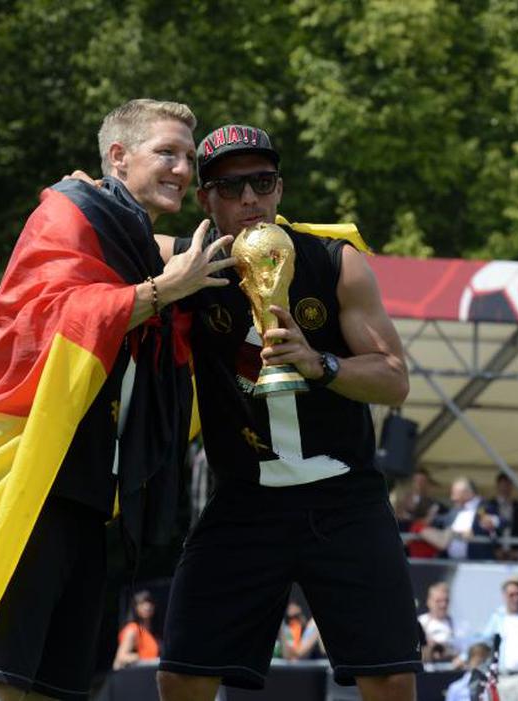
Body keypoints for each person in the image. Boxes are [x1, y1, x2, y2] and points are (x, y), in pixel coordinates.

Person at [0, 99, 234, 701]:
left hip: (89, 494)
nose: (184, 168)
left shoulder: (130, 235)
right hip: (31, 477)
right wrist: (162, 291)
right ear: (117, 156)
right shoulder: (70, 214)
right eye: (167, 152)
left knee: (54, 687)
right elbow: (39, 325)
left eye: (188, 156)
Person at [154, 124, 420, 701]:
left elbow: (395, 380)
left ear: (280, 189)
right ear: (205, 200)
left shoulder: (336, 264)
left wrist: (320, 363)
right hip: (245, 498)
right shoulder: (187, 266)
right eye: (229, 187)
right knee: (181, 671)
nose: (248, 198)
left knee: (392, 675)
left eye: (262, 182)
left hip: (344, 497)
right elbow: (105, 236)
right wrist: (95, 188)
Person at [485, 472, 518, 561]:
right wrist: (495, 550)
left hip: (516, 553)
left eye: (507, 485)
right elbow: (486, 530)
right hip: (494, 553)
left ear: (511, 486)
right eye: (502, 485)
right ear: (497, 486)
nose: (505, 488)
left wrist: (516, 551)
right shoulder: (489, 506)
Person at [114, 590, 161, 670]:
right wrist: (142, 657)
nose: (147, 606)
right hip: (136, 676)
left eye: (150, 603)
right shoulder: (132, 629)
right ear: (135, 608)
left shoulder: (153, 631)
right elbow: (121, 658)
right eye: (142, 603)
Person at [418, 582, 459, 663]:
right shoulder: (419, 623)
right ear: (429, 601)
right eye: (438, 601)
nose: (443, 605)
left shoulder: (460, 626)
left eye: (446, 601)